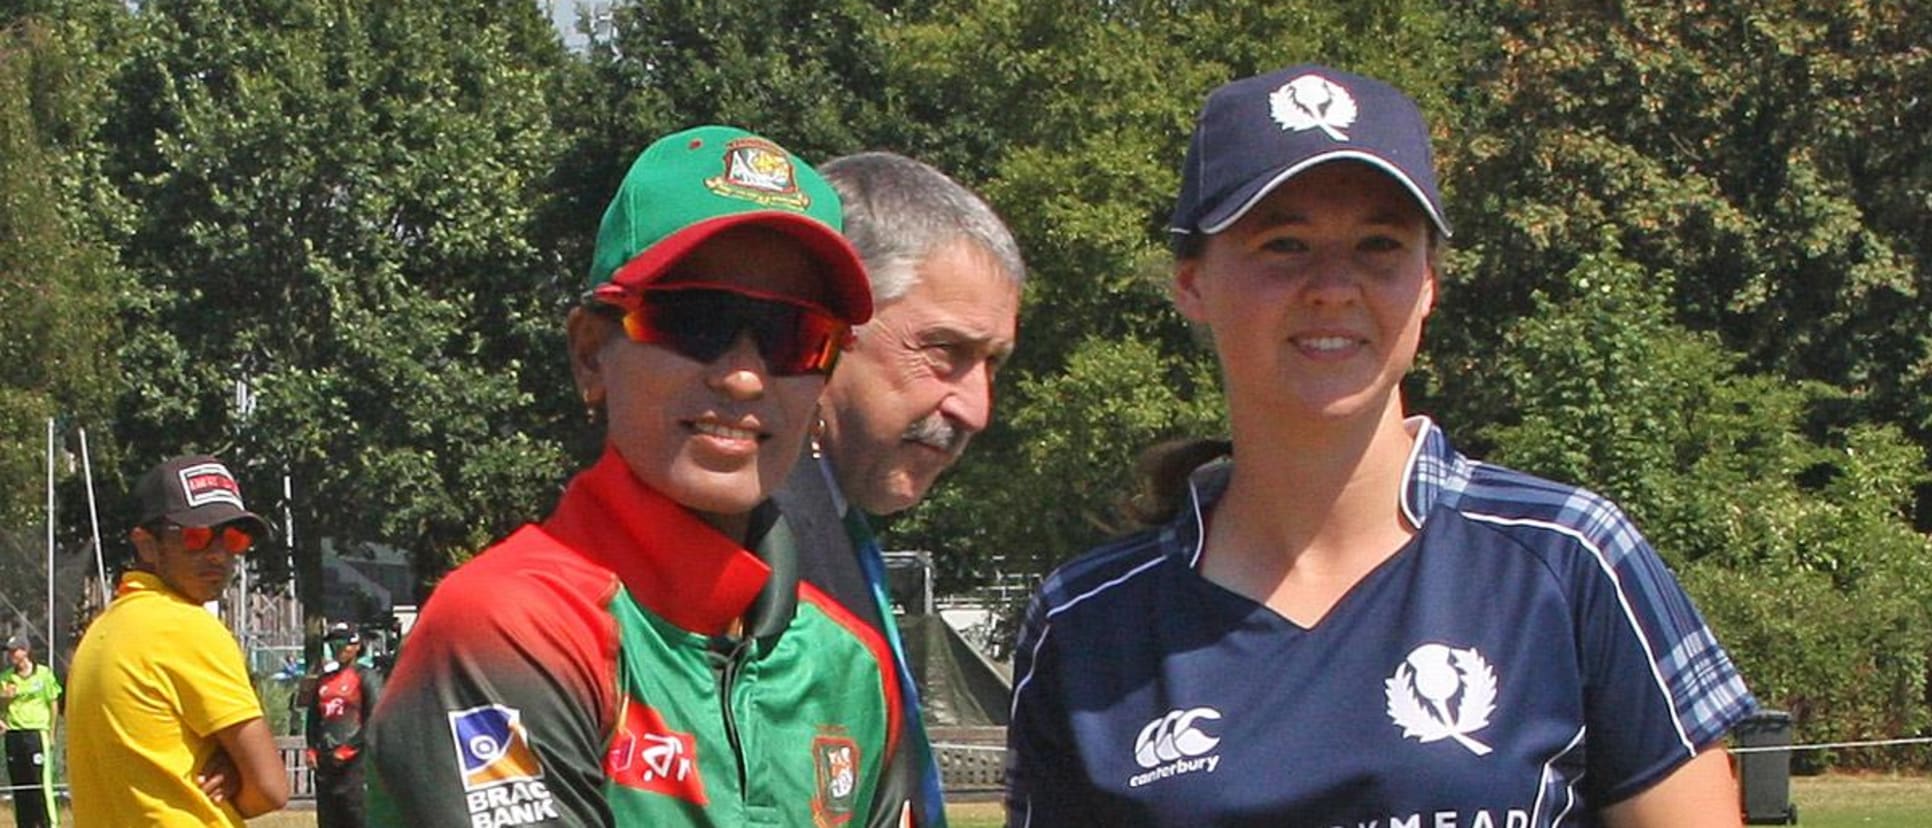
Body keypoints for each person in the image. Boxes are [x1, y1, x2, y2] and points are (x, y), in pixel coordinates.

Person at [1004, 64, 1758, 827]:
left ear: (1428, 282)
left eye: (1379, 245)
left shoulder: (1570, 560)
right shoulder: (1086, 621)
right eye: (1285, 244)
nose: (1334, 286)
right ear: (1193, 283)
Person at [365, 125, 904, 827]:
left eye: (793, 336)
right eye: (694, 320)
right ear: (591, 354)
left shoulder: (851, 667)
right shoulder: (505, 629)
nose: (744, 376)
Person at [772, 151, 1024, 827]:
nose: (977, 408)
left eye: (992, 363)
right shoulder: (760, 550)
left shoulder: (833, 524)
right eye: (945, 352)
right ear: (830, 325)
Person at [66, 454, 290, 826]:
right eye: (195, 536)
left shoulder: (101, 633)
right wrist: (236, 780)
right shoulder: (185, 626)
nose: (218, 555)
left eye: (233, 538)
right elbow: (271, 789)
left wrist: (233, 768)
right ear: (146, 544)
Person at [306, 622, 382, 828]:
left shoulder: (366, 676)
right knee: (329, 819)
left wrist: (350, 749)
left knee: (356, 816)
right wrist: (312, 749)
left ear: (356, 646)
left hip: (354, 765)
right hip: (326, 762)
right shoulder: (323, 680)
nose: (339, 649)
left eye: (344, 643)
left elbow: (374, 718)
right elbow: (313, 719)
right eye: (334, 644)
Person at [0, 636, 61, 828]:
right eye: (8, 652)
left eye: (14, 651)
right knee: (20, 785)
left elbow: (53, 704)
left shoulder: (43, 674)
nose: (11, 655)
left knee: (40, 783)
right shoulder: (6, 678)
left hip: (36, 734)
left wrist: (51, 733)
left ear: (25, 651)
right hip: (14, 735)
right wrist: (5, 699)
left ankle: (48, 824)